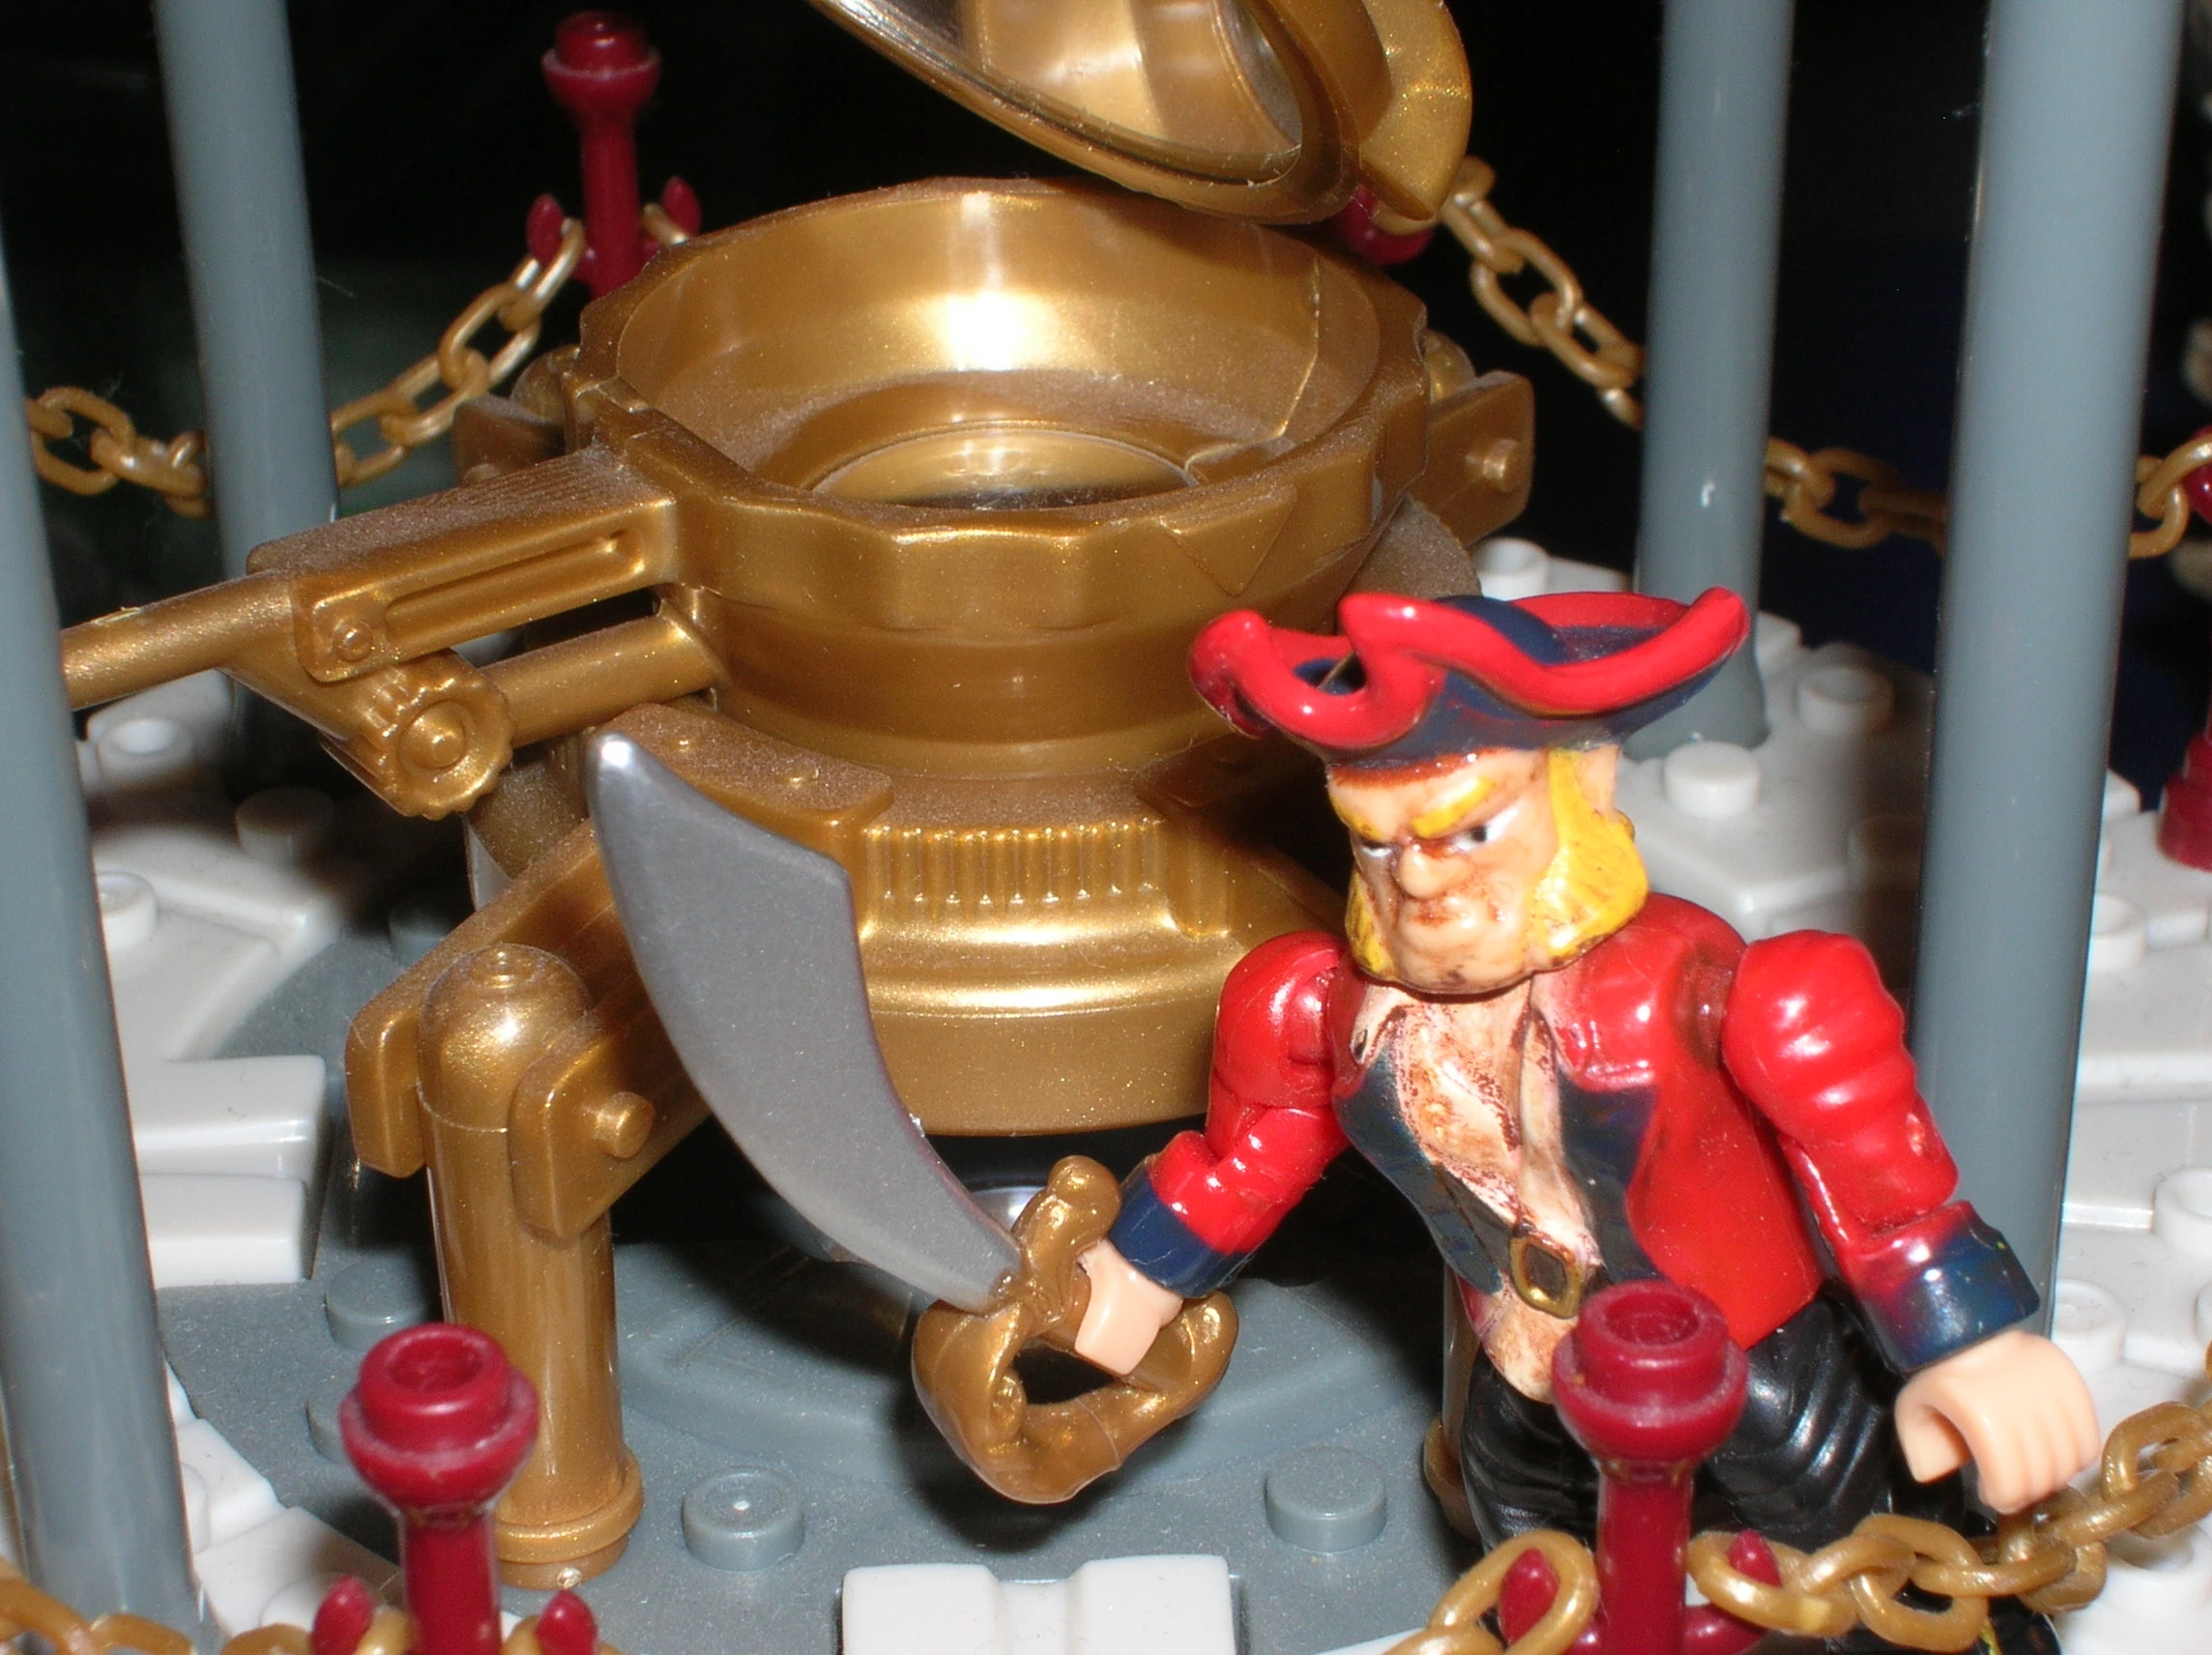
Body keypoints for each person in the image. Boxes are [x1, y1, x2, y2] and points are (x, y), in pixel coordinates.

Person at [1070, 587, 2097, 1590]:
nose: (1416, 879)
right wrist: (1139, 1271)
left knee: (1877, 1562)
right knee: (1527, 1574)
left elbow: (1871, 1165)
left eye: (1469, 831)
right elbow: (1251, 1152)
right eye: (1377, 840)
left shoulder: (1698, 991)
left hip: (1747, 1348)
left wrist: (1966, 1339)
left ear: (1583, 790)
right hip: (1527, 1359)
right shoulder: (1317, 1007)